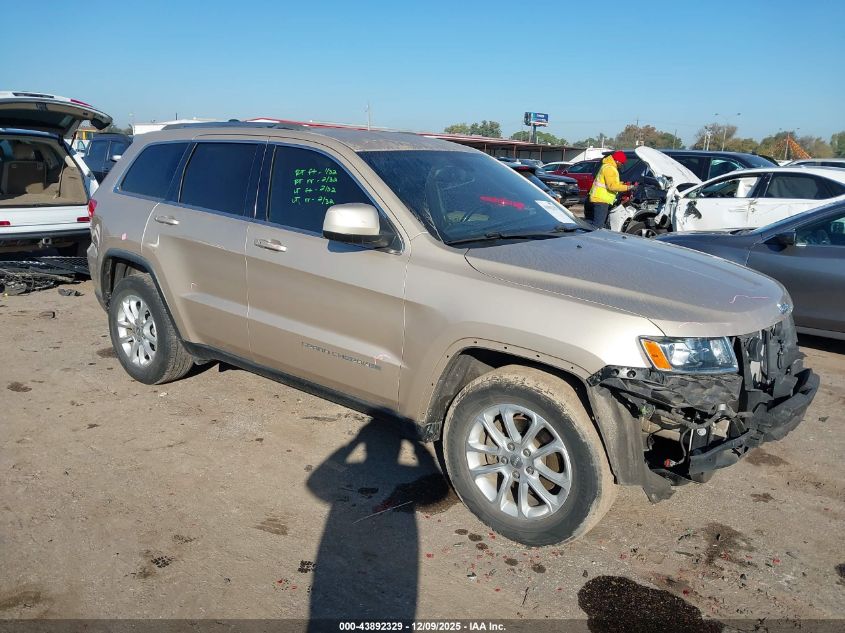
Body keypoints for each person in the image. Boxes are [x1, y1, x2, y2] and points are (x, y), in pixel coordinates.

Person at [586, 151, 633, 228]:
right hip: (601, 199)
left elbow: (611, 183)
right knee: (598, 226)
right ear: (617, 161)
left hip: (600, 198)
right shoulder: (610, 169)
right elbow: (612, 186)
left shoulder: (607, 166)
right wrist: (628, 187)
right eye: (622, 163)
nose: (622, 165)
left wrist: (623, 185)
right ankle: (592, 239)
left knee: (599, 224)